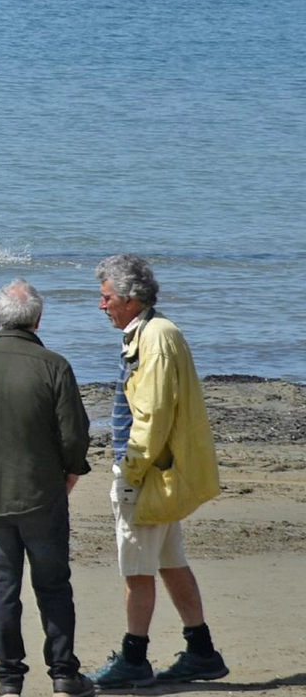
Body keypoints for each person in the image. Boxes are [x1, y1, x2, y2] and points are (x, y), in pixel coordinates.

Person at [0, 278, 96, 697]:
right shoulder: (54, 366)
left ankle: (9, 678)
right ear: (38, 320)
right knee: (53, 584)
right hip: (43, 493)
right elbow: (75, 433)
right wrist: (72, 472)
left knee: (2, 586)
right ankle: (63, 674)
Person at [90, 254, 228, 688]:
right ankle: (202, 652)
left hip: (148, 474)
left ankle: (134, 658)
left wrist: (128, 473)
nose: (101, 305)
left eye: (106, 297)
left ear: (130, 300)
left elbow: (151, 418)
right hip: (157, 471)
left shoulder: (155, 338)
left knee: (137, 567)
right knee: (170, 562)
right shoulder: (151, 331)